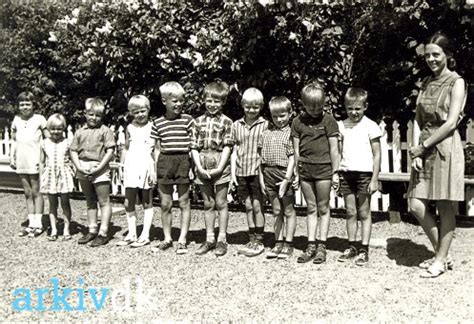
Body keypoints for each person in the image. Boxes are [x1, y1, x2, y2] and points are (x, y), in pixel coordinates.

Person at [408, 32, 466, 278]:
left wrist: (425, 146)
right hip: (424, 149)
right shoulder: (426, 83)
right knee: (415, 204)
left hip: (445, 149)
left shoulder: (457, 82)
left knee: (445, 207)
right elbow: (418, 119)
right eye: (428, 55)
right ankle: (442, 253)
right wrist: (416, 151)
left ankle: (440, 260)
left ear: (447, 56)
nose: (431, 59)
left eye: (436, 54)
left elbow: (451, 123)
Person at [292, 82, 339, 264]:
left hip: (324, 169)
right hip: (305, 170)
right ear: (303, 104)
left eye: (319, 106)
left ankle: (322, 245)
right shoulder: (297, 122)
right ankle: (310, 244)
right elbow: (296, 151)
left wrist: (335, 172)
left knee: (323, 207)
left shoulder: (329, 121)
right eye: (311, 106)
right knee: (310, 207)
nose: (315, 109)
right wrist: (297, 173)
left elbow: (334, 149)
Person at [336, 87, 381, 266]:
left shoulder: (371, 126)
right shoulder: (341, 125)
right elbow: (338, 152)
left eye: (357, 108)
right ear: (345, 108)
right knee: (350, 212)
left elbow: (377, 154)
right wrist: (336, 173)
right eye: (350, 108)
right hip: (346, 173)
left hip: (364, 174)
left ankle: (364, 248)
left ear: (365, 107)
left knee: (364, 211)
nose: (354, 112)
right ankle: (352, 245)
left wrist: (375, 178)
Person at [190, 80, 234, 256]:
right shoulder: (197, 122)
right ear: (204, 100)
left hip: (220, 161)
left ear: (223, 102)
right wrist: (199, 167)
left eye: (217, 101)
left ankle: (222, 239)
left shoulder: (227, 122)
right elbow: (193, 147)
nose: (212, 105)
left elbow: (228, 147)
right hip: (202, 161)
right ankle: (209, 239)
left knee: (221, 202)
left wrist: (220, 167)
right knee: (208, 203)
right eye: (209, 101)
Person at [150, 82, 194, 254]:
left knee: (184, 202)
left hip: (183, 160)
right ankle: (167, 238)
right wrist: (156, 170)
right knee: (165, 203)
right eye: (174, 101)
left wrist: (192, 166)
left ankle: (182, 239)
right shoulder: (158, 123)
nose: (178, 104)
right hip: (165, 162)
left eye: (181, 101)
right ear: (164, 101)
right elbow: (157, 149)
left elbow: (192, 145)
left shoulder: (188, 120)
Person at [70, 98, 115, 247]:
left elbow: (110, 151)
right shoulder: (80, 132)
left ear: (102, 116)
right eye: (91, 114)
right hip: (83, 167)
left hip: (99, 168)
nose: (94, 118)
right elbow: (73, 151)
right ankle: (92, 229)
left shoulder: (105, 131)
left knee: (103, 200)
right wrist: (79, 167)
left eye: (97, 115)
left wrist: (100, 167)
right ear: (85, 114)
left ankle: (103, 232)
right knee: (90, 200)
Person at [231, 87, 269, 257]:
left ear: (261, 106)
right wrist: (232, 174)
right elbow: (234, 149)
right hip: (241, 170)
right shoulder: (236, 125)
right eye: (248, 107)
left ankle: (259, 239)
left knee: (257, 205)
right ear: (242, 105)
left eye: (255, 107)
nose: (251, 110)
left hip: (257, 171)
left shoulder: (266, 125)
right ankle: (251, 236)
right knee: (247, 206)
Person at [258, 96, 296, 260]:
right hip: (268, 174)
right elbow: (260, 159)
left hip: (283, 175)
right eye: (275, 116)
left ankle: (289, 243)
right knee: (276, 211)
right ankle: (278, 241)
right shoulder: (266, 133)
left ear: (290, 114)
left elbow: (294, 158)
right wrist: (261, 179)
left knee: (288, 210)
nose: (279, 120)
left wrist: (287, 178)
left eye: (282, 115)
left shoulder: (291, 133)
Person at [116, 95, 156, 248]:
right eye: (136, 112)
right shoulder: (130, 128)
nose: (140, 115)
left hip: (146, 164)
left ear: (148, 110)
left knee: (147, 200)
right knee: (128, 201)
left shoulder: (152, 127)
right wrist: (121, 166)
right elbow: (125, 148)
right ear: (131, 112)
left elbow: (154, 150)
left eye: (142, 111)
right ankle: (132, 233)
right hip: (131, 164)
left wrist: (154, 170)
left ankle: (145, 234)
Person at [10, 91, 48, 237]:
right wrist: (12, 157)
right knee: (27, 192)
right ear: (18, 106)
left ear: (33, 105)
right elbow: (14, 140)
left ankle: (38, 223)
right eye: (22, 104)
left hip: (35, 160)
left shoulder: (39, 119)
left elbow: (47, 139)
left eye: (28, 104)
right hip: (21, 160)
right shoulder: (16, 119)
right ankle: (31, 223)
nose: (25, 107)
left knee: (36, 191)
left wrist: (46, 159)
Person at [39, 113, 75, 241]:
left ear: (64, 129)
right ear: (48, 129)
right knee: (52, 203)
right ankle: (53, 228)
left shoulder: (67, 142)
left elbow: (73, 158)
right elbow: (42, 162)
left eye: (59, 129)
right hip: (50, 175)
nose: (56, 132)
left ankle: (66, 228)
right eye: (53, 129)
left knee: (65, 202)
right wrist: (41, 177)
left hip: (63, 174)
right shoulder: (44, 143)